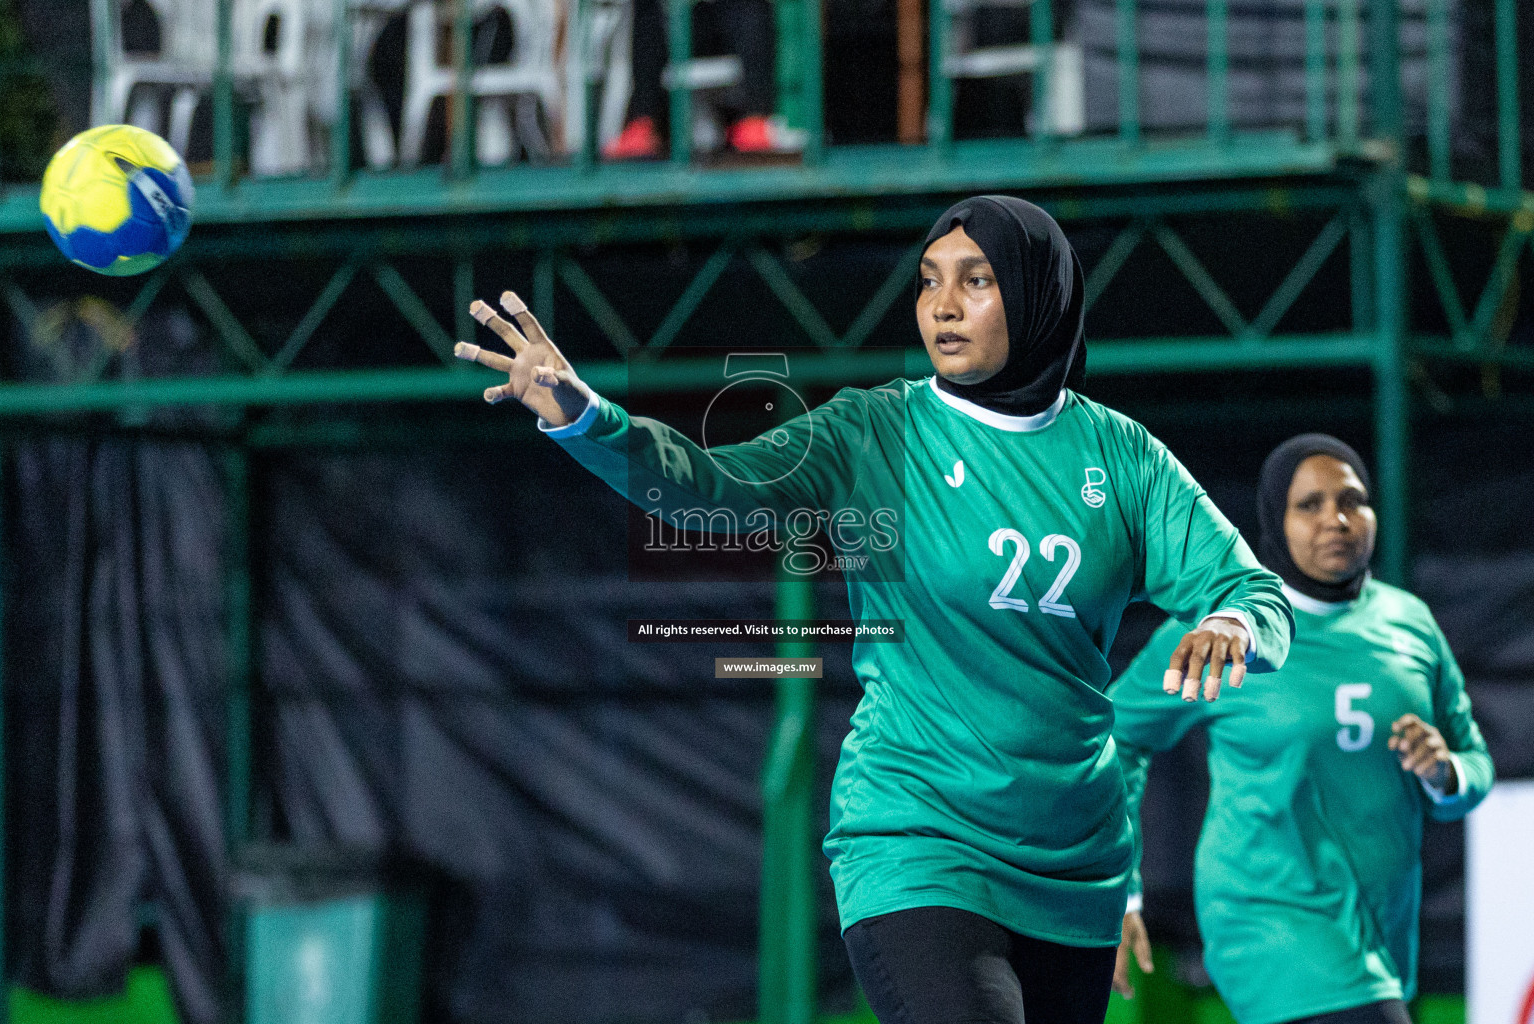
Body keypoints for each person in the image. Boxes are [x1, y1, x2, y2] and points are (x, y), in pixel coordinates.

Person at [454, 195, 1295, 1024]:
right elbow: (715, 487)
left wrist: (1232, 625)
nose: (944, 306)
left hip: (1076, 864)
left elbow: (1255, 593)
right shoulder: (878, 431)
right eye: (929, 282)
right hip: (918, 837)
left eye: (976, 281)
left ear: (1039, 295)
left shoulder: (1122, 456)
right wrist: (585, 418)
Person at [1109, 434, 1495, 1024]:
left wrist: (1445, 770)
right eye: (1309, 505)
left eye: (1352, 500)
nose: (1336, 520)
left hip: (1383, 928)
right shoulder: (1228, 632)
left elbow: (1474, 765)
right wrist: (1118, 884)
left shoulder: (1409, 622)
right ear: (1272, 520)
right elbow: (1116, 736)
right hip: (1267, 918)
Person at [603, 0, 790, 158]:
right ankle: (643, 122)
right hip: (681, 24)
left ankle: (755, 119)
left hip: (731, 24)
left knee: (750, 6)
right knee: (649, 6)